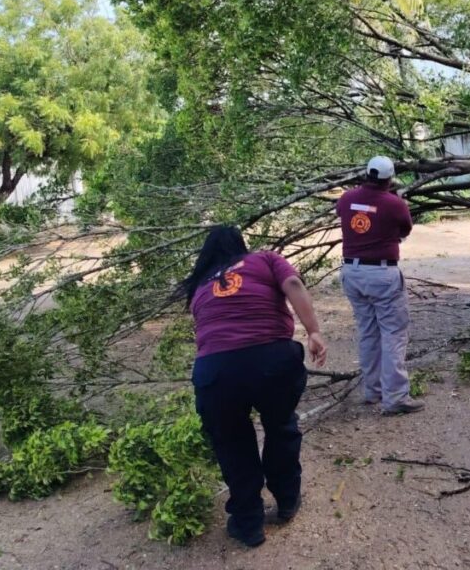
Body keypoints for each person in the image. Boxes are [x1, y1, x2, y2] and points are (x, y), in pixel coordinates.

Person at [181, 225, 327, 548]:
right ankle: (287, 501)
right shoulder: (265, 260)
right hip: (271, 362)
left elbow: (207, 333)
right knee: (280, 426)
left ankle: (248, 525)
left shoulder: (201, 286)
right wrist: (314, 331)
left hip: (216, 371)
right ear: (240, 245)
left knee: (232, 443)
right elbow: (292, 283)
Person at [336, 155, 423, 416]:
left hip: (352, 271)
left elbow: (346, 217)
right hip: (382, 273)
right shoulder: (394, 204)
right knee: (393, 333)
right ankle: (395, 396)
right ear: (389, 179)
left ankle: (373, 390)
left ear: (367, 175)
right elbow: (405, 230)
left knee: (368, 331)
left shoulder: (346, 198)